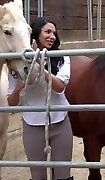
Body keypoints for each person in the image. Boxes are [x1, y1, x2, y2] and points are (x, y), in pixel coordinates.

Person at [7, 17, 74, 180]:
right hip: (32, 124)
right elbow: (11, 103)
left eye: (54, 33)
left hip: (60, 122)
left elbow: (59, 87)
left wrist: (39, 65)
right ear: (36, 34)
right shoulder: (17, 63)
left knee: (63, 175)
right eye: (48, 32)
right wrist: (19, 88)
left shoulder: (62, 57)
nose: (52, 36)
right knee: (37, 176)